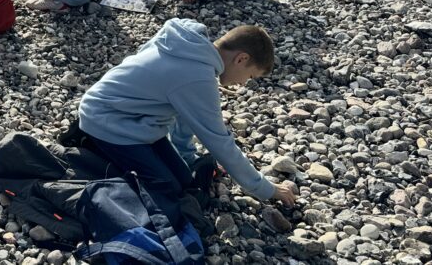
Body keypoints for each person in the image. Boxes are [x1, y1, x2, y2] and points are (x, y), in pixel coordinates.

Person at [78, 19, 296, 228]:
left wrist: (186, 158)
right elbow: (220, 142)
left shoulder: (185, 41)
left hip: (136, 120)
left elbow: (183, 117)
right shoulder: (198, 76)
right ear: (241, 59)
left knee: (184, 180)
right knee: (169, 190)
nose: (243, 83)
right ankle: (98, 156)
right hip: (107, 120)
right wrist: (265, 189)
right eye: (249, 76)